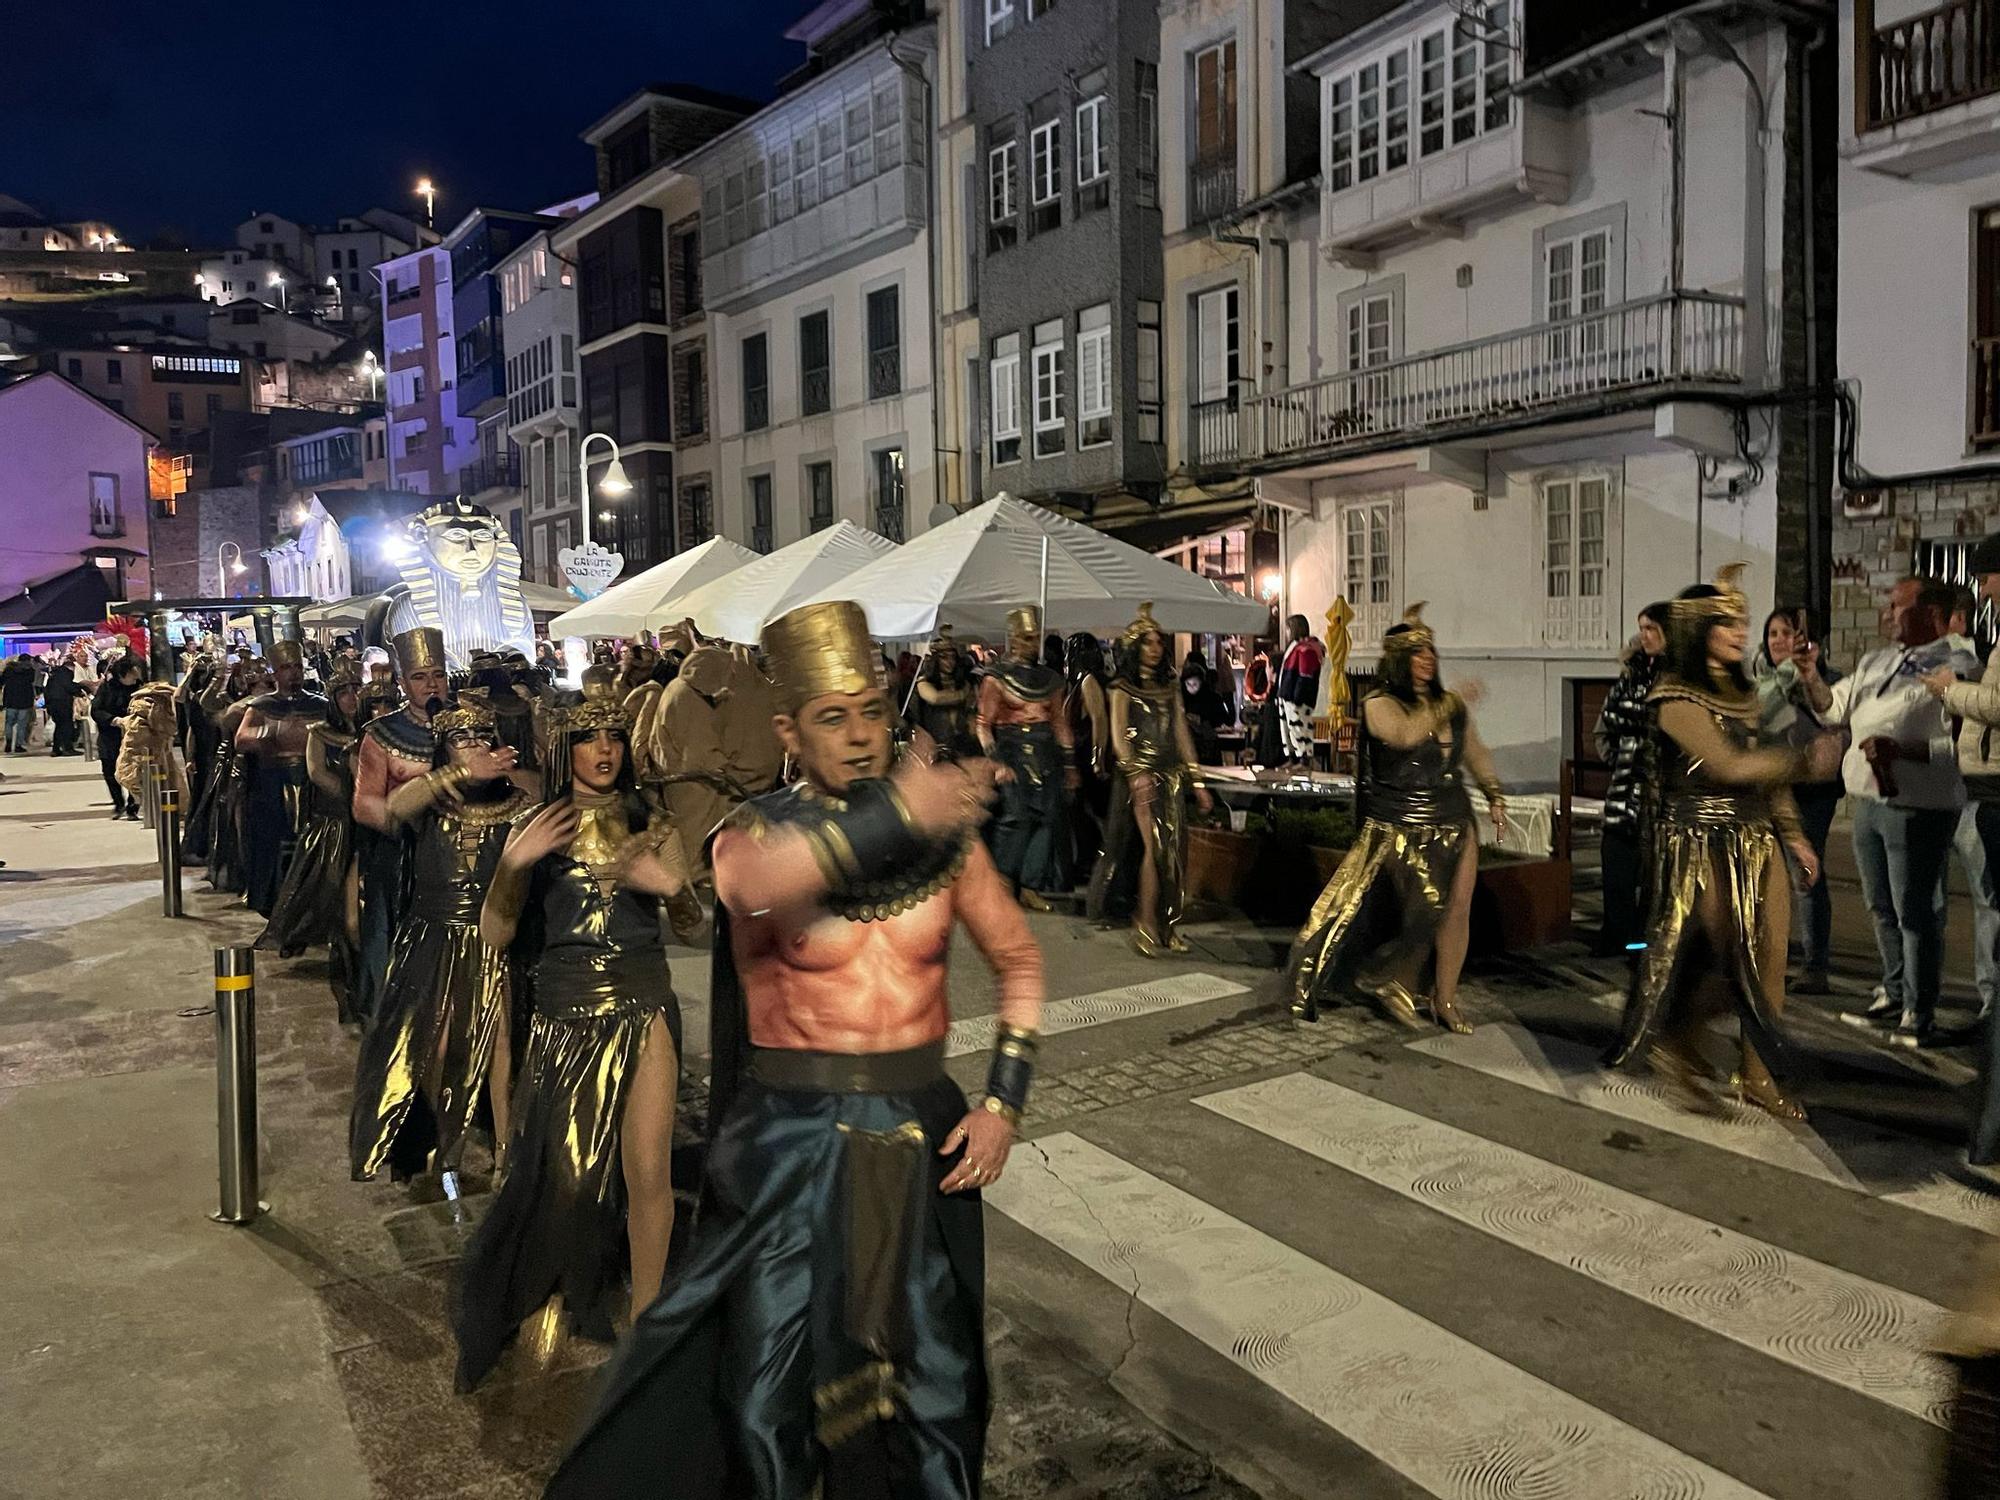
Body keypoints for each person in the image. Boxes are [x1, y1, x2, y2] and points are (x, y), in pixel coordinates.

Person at [545, 599, 1041, 1500]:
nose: (860, 736)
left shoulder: (944, 831)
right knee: (764, 1395)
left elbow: (1017, 960)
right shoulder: (752, 833)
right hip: (787, 1138)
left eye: (873, 714)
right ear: (788, 730)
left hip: (918, 1132)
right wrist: (904, 808)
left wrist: (1002, 1103)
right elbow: (757, 889)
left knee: (938, 1390)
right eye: (832, 718)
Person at [452, 697, 693, 1390]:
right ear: (570, 749)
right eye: (590, 739)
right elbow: (497, 937)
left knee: (647, 1167)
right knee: (568, 1173)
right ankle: (555, 1274)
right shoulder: (539, 825)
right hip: (564, 1010)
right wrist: (513, 866)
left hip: (643, 1001)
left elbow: (693, 927)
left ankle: (647, 1323)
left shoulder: (653, 823)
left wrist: (670, 885)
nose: (604, 750)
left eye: (614, 737)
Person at [1609, 567, 1843, 1119]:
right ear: (1699, 632)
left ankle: (1758, 1075)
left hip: (1757, 839)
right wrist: (1806, 760)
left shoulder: (1747, 694)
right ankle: (1678, 1038)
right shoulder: (1673, 696)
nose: (1741, 632)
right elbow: (1727, 763)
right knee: (1721, 957)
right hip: (1697, 841)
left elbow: (1764, 779)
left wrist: (1794, 835)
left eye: (1742, 621)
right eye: (1726, 623)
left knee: (1769, 959)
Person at [1286, 604, 1506, 1032]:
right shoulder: (1378, 704)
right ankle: (1388, 978)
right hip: (1400, 822)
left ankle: (1443, 998)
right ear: (1398, 660)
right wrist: (1448, 704)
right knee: (1426, 908)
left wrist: (1493, 794)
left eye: (1431, 652)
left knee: (1457, 909)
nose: (1427, 660)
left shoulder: (1450, 705)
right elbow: (1405, 735)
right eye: (1417, 653)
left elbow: (1473, 751)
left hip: (1455, 815)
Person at [350, 693, 530, 1184]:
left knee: (500, 1043)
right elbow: (391, 809)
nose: (472, 746)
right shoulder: (430, 800)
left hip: (494, 935)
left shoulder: (516, 801)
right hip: (433, 933)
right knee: (433, 1039)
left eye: (480, 738)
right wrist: (454, 776)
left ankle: (504, 1148)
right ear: (443, 749)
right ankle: (436, 1141)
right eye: (459, 739)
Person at [1801, 576, 1978, 1047]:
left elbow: (1963, 746)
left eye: (1897, 604)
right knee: (1880, 905)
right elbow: (1832, 711)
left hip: (1917, 805)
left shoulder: (1957, 664)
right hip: (1868, 800)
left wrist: (1901, 751)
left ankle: (1919, 1012)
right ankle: (1893, 991)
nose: (1886, 610)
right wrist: (1810, 674)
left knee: (1915, 910)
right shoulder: (1876, 661)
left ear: (1933, 614)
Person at [1924, 537, 2000, 1161]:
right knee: (1986, 906)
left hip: (1992, 793)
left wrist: (1950, 689)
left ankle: (1990, 1011)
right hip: (1976, 788)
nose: (1981, 592)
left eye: (1987, 578)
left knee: (1990, 908)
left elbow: (1998, 703)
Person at [1089, 605, 1214, 956]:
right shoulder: (1121, 687)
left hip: (1171, 775)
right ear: (1135, 648)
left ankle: (1169, 925)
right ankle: (1143, 921)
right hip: (1138, 776)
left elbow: (1181, 734)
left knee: (1176, 853)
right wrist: (1135, 773)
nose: (1155, 648)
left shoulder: (1170, 687)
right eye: (1147, 642)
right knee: (1155, 847)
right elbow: (1118, 737)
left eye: (1159, 641)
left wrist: (1199, 783)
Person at [350, 628, 449, 1027]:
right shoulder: (381, 735)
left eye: (438, 675)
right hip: (403, 857)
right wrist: (406, 818)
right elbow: (363, 804)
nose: (431, 685)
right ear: (405, 683)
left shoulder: (470, 722)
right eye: (421, 677)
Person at [257, 672, 364, 1021]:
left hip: (364, 820)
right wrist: (352, 796)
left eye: (355, 690)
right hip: (334, 820)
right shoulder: (319, 733)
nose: (351, 697)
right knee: (322, 884)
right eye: (344, 692)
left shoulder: (369, 730)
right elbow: (317, 772)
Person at [1752, 605, 1844, 992]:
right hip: (1769, 787)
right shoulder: (1759, 681)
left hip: (1812, 791)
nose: (1778, 641)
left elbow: (1834, 726)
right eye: (1773, 633)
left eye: (1787, 634)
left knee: (1805, 874)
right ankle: (1768, 954)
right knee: (1763, 874)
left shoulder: (1828, 681)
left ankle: (1815, 964)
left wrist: (1805, 679)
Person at [976, 603, 1074, 909]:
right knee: (1016, 817)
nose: (1033, 643)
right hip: (1011, 751)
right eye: (1027, 637)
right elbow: (983, 725)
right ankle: (1004, 881)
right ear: (1015, 639)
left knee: (1046, 818)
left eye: (1036, 637)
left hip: (1045, 753)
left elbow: (1059, 722)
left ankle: (1031, 884)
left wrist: (1070, 763)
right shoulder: (996, 678)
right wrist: (997, 763)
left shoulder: (1050, 680)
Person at [1593, 604, 1669, 957]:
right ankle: (1615, 932)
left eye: (1652, 628)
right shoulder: (1631, 675)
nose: (1645, 635)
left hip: (1657, 789)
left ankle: (1642, 937)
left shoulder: (1675, 676)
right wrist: (1618, 758)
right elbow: (1605, 725)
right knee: (1615, 860)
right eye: (1641, 628)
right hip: (1624, 783)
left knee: (1653, 869)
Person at [235, 641, 329, 918]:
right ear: (275, 672)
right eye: (287, 667)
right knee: (275, 846)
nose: (294, 673)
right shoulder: (263, 705)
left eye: (297, 666)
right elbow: (242, 739)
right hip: (272, 783)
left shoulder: (319, 704)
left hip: (312, 781)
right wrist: (273, 732)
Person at [1064, 630, 1111, 873]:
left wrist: (1097, 758)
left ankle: (1098, 862)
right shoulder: (1088, 680)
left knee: (1094, 812)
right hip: (1084, 756)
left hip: (1088, 758)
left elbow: (1099, 719)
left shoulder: (1089, 681)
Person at [909, 627, 981, 760]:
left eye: (952, 657)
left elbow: (971, 707)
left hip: (962, 743)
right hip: (934, 745)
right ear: (936, 659)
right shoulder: (924, 682)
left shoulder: (961, 681)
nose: (950, 662)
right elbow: (935, 698)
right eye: (944, 658)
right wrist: (963, 693)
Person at [90, 657, 143, 819]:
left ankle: (132, 806)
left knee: (134, 772)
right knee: (110, 771)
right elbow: (96, 711)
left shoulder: (139, 689)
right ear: (122, 675)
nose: (135, 677)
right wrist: (114, 720)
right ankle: (118, 803)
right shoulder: (107, 688)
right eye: (132, 675)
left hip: (133, 737)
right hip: (110, 736)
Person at [1276, 613, 1324, 769]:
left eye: (1288, 629)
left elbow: (1305, 675)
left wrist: (1297, 697)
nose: (1286, 632)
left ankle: (1303, 758)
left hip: (1296, 698)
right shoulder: (1297, 648)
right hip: (1287, 694)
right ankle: (1293, 756)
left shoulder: (1305, 649)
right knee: (1289, 728)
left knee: (1299, 727)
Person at [1178, 651, 1234, 766]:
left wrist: (1201, 720)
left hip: (1204, 747)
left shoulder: (1210, 697)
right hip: (1191, 746)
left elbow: (1224, 718)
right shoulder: (1179, 697)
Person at [41, 653, 82, 756]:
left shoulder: (54, 675)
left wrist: (48, 704)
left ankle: (56, 749)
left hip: (53, 704)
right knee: (66, 725)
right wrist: (80, 691)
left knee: (59, 726)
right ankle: (67, 748)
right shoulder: (66, 674)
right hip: (63, 703)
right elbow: (70, 687)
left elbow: (47, 690)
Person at [2, 654, 38, 753]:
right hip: (24, 701)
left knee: (9, 723)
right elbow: (31, 681)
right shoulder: (30, 671)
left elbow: (1, 682)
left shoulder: (9, 670)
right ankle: (18, 745)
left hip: (10, 700)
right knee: (21, 724)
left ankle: (8, 743)